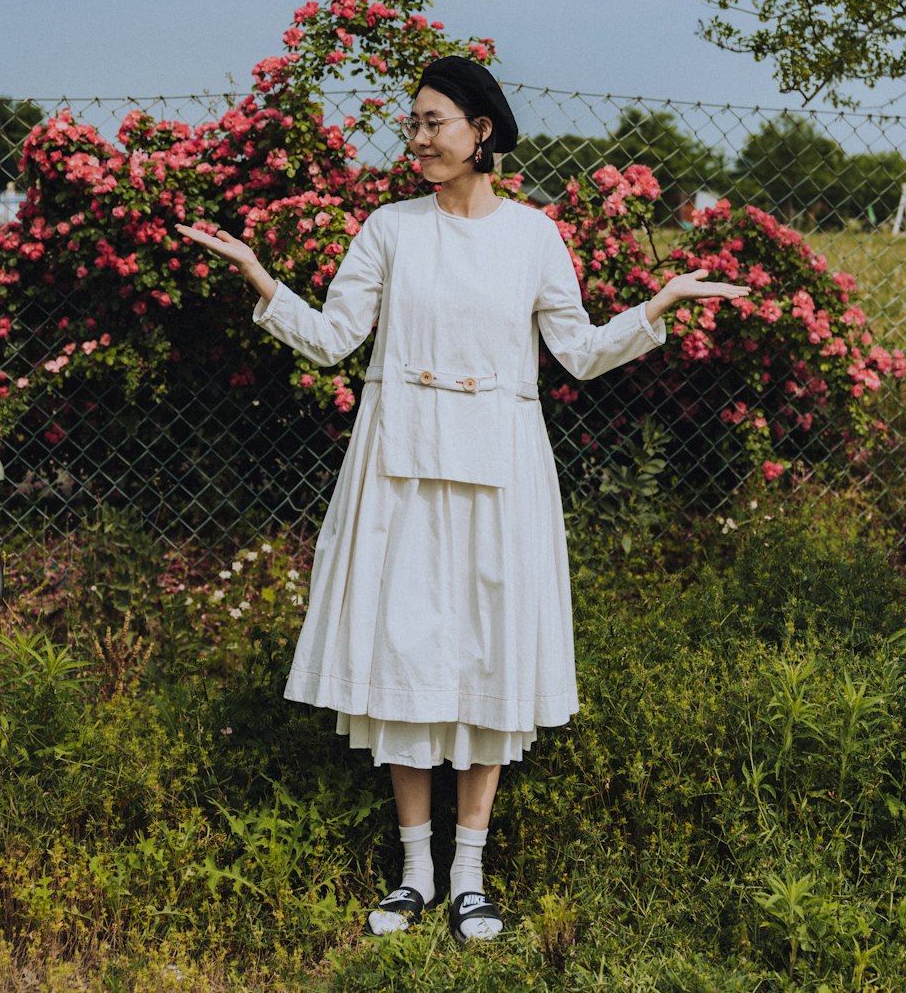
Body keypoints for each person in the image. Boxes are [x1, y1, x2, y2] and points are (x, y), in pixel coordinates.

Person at [177, 56, 749, 946]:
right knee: (406, 652)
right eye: (412, 123)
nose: (418, 139)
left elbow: (581, 352)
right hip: (398, 465)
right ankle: (414, 875)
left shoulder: (533, 236)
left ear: (481, 130)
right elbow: (332, 342)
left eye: (433, 122)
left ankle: (470, 878)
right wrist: (258, 273)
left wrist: (658, 304)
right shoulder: (389, 230)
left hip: (502, 470)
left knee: (489, 656)